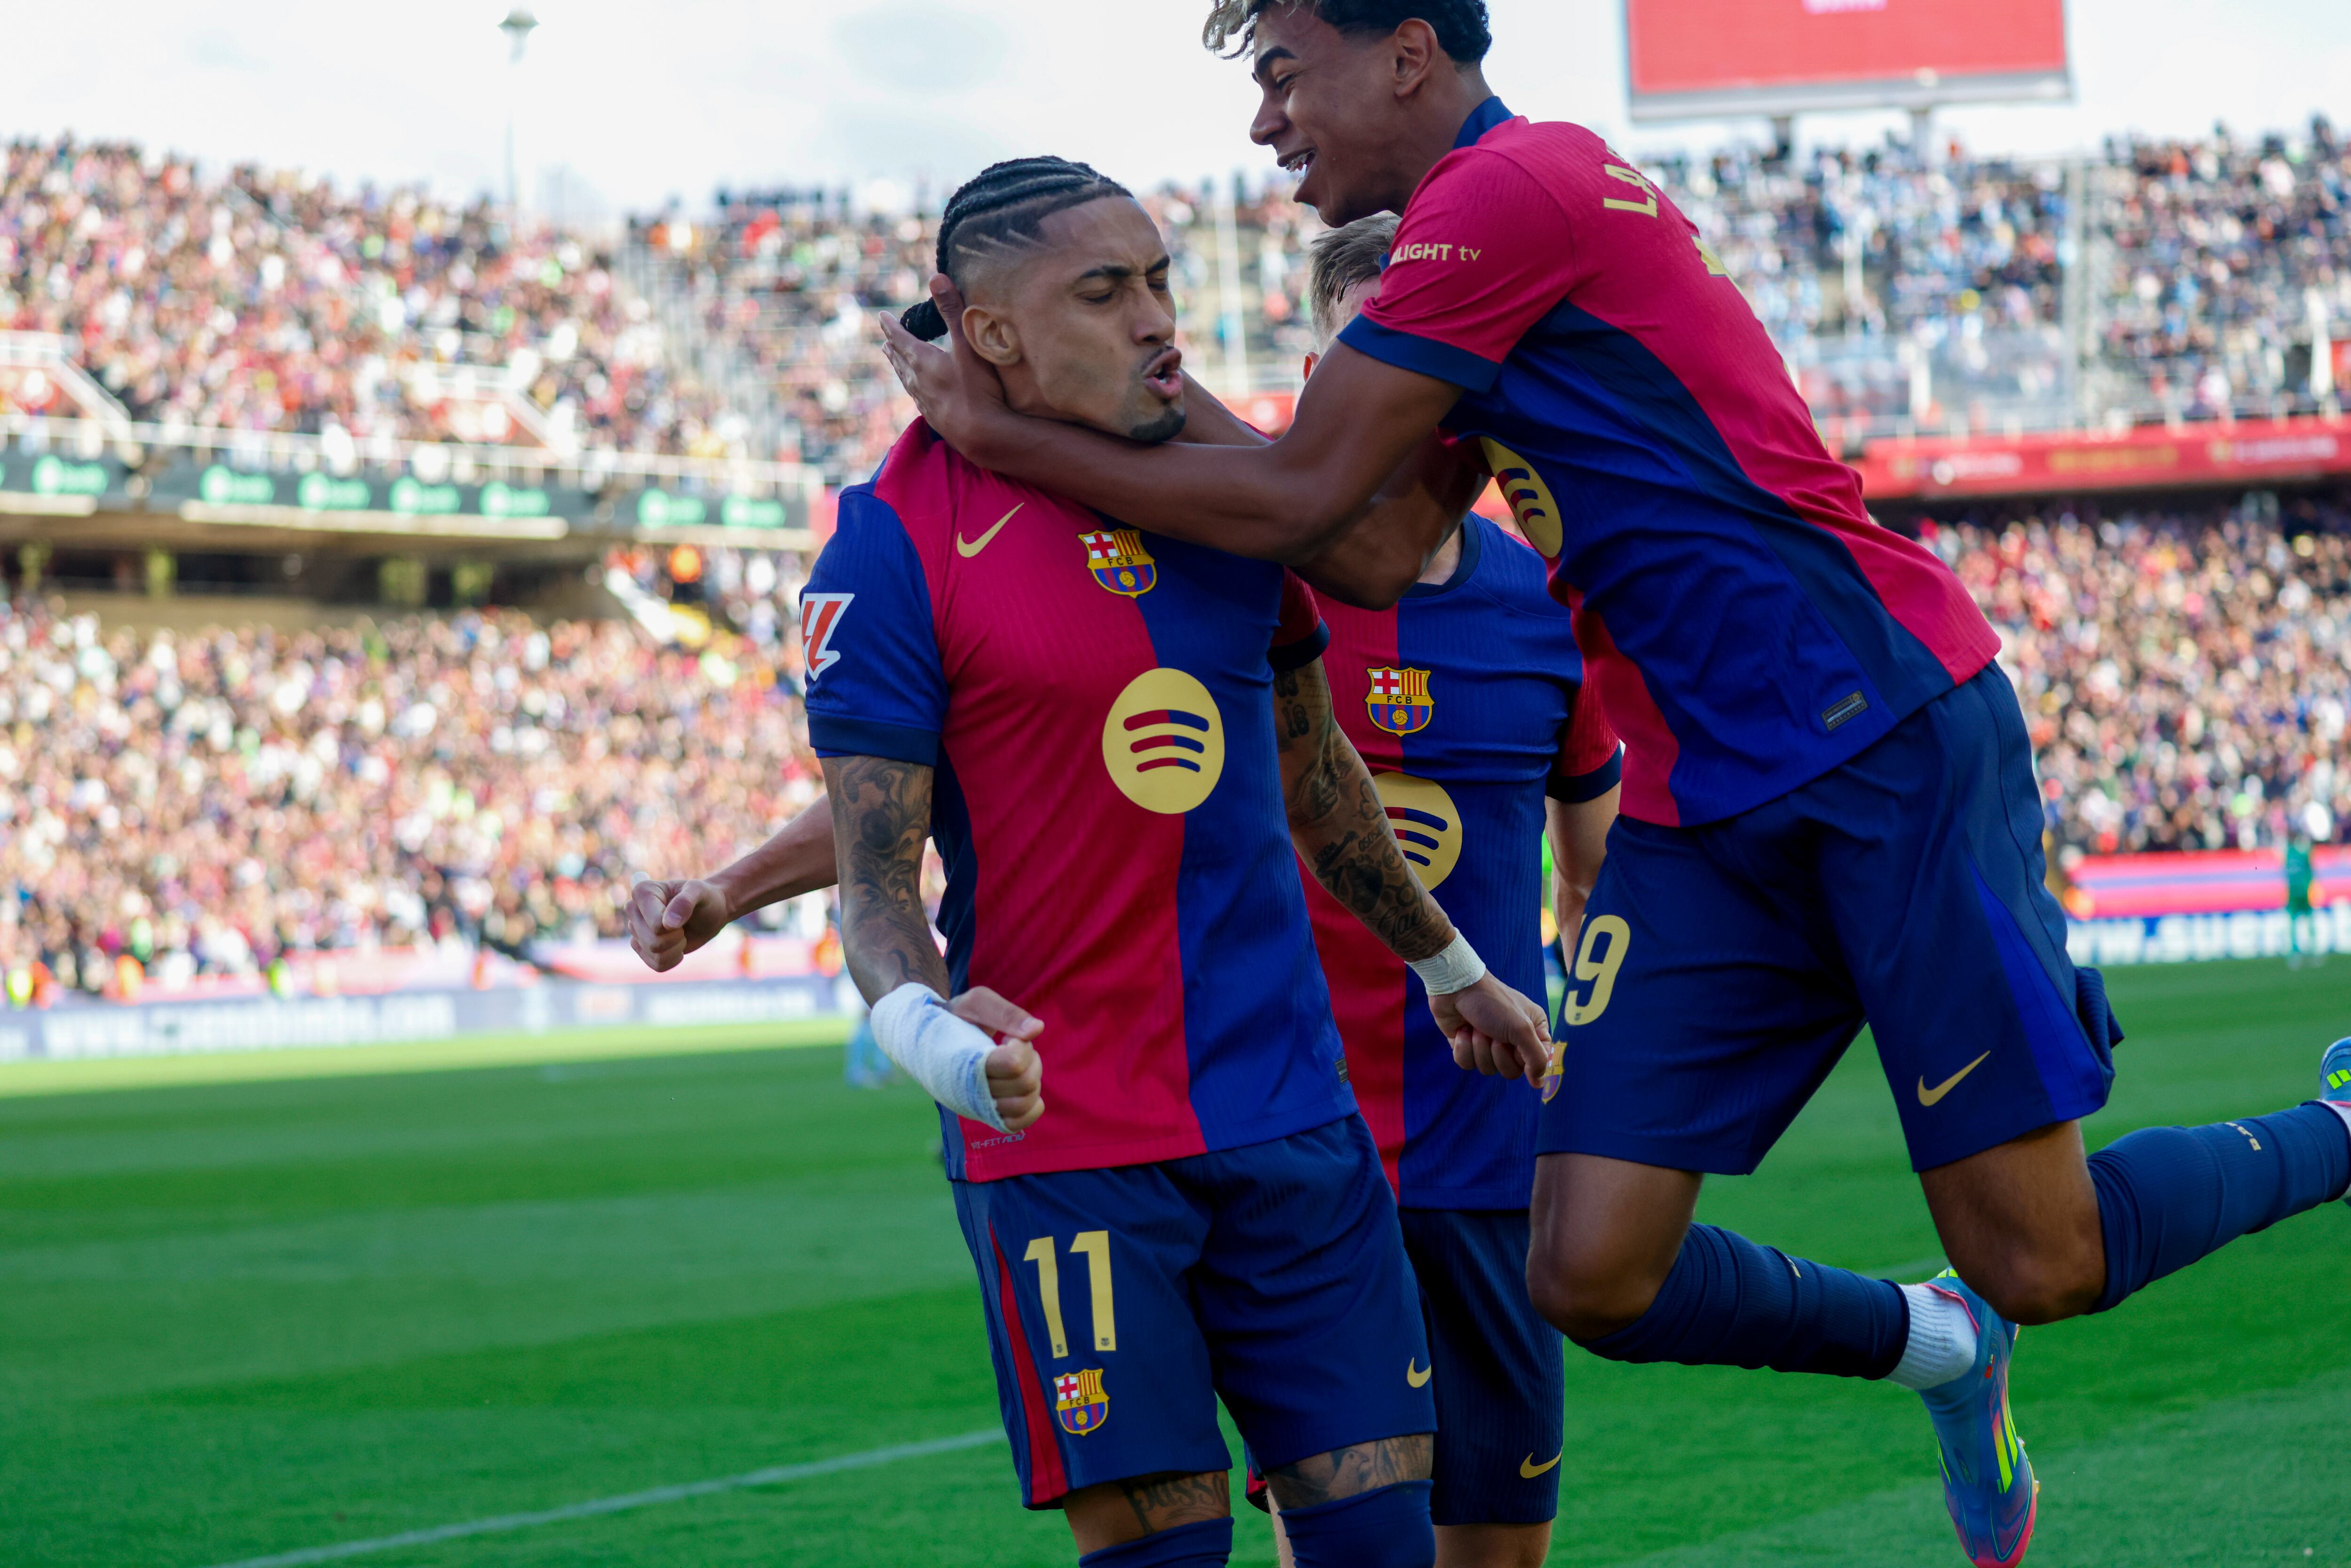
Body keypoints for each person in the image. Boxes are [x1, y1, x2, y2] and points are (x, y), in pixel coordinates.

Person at [876, 8, 2351, 1565]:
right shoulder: (1466, 260)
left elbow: (1305, 490)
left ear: (1402, 58)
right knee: (1587, 1269)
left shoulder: (1515, 195)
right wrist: (1103, 396)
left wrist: (1010, 427)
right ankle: (1941, 1343)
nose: (1267, 124)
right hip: (1706, 798)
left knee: (2042, 1252)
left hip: (1878, 734)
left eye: (1282, 74)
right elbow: (1368, 545)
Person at [670, 155, 1553, 1568]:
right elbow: (881, 879)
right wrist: (942, 1039)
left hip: (1294, 1126)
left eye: (1159, 280)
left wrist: (1448, 964)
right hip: (1069, 1148)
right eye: (1106, 291)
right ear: (988, 330)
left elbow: (1313, 771)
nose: (1159, 320)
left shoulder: (1225, 500)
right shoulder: (889, 544)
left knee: (1383, 1547)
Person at [1247, 214, 1619, 1568]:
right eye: (1370, 356)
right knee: (1341, 1544)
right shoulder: (1248, 581)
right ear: (1316, 369)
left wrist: (1590, 1047)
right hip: (1299, 1144)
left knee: (1495, 1546)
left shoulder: (1547, 603)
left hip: (1488, 1150)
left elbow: (1597, 875)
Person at [2286, 831, 2323, 969]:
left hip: (2305, 894)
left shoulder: (2303, 855)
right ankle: (2295, 954)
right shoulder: (2290, 854)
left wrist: (2312, 891)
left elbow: (2311, 874)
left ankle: (2313, 951)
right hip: (2294, 895)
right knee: (2294, 926)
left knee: (2309, 924)